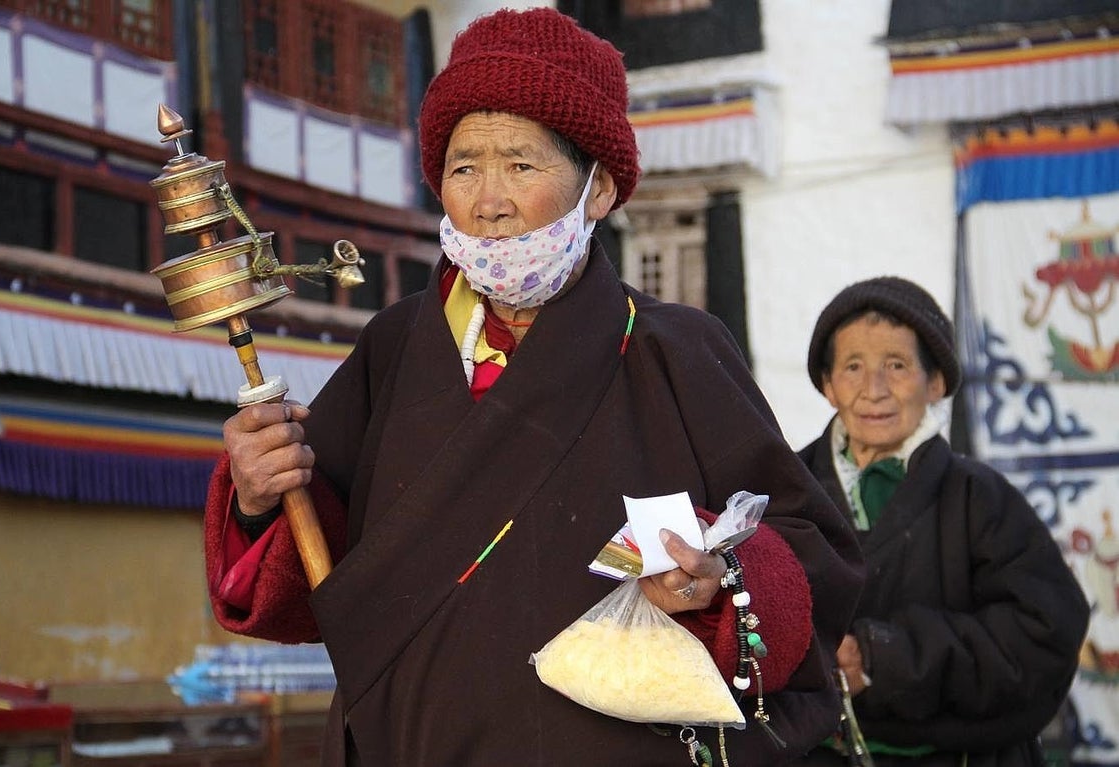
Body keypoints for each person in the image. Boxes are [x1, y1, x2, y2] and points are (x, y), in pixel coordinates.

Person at [205, 8, 862, 766]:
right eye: (463, 167)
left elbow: (812, 555)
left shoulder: (676, 349)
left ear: (601, 188)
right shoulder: (394, 348)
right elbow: (315, 574)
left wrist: (720, 582)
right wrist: (259, 494)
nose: (489, 199)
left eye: (520, 164)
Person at [795, 276, 1089, 767]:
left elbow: (1045, 635)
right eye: (852, 367)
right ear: (828, 386)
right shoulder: (789, 490)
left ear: (935, 383)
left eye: (897, 365)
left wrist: (881, 658)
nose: (875, 390)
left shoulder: (982, 499)